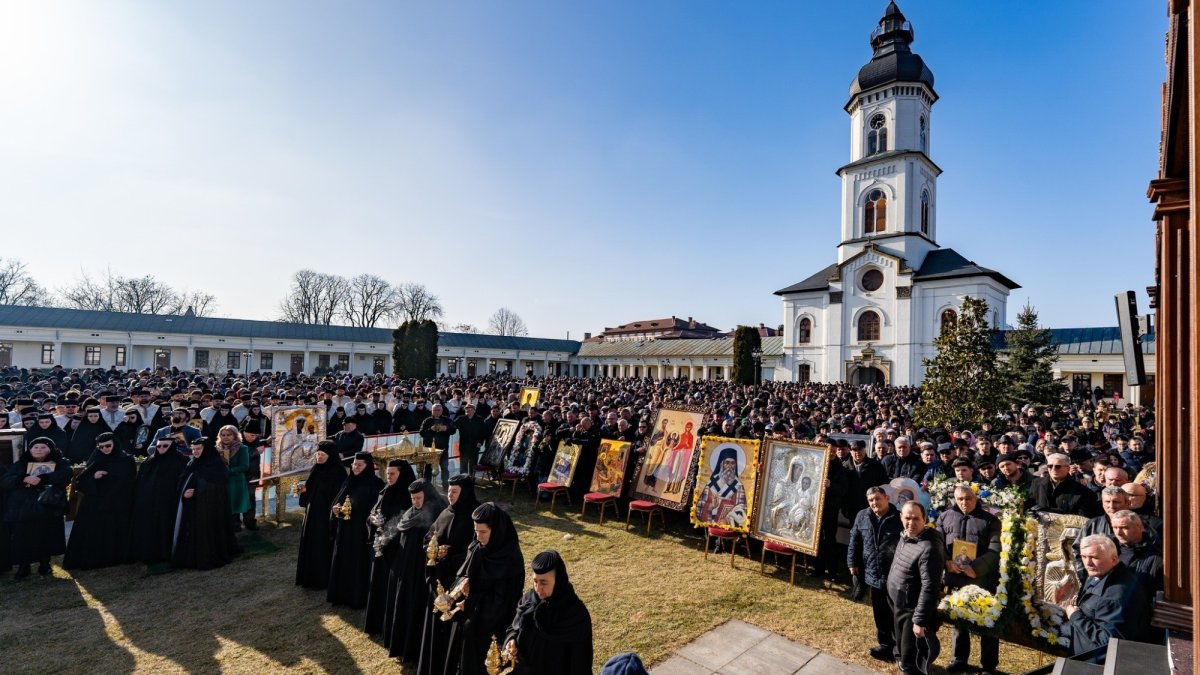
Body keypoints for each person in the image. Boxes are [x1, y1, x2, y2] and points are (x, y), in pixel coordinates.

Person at [447, 503, 526, 675]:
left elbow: (503, 601)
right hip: (472, 619)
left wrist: (472, 602)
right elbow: (466, 572)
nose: (478, 536)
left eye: (483, 532)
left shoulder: (510, 559)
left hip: (493, 626)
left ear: (496, 531)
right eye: (476, 531)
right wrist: (464, 583)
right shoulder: (478, 546)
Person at [418, 473, 482, 675]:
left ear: (465, 492)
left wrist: (450, 554)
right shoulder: (446, 512)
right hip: (439, 579)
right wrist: (433, 549)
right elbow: (429, 536)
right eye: (448, 490)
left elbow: (474, 549)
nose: (450, 495)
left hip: (457, 581)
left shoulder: (475, 515)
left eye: (455, 491)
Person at [938, 485, 1001, 675]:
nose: (964, 503)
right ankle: (959, 659)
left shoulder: (991, 520)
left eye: (968, 499)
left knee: (987, 622)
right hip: (956, 578)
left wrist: (976, 569)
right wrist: (946, 562)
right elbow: (937, 544)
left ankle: (989, 666)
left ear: (976, 498)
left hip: (982, 580)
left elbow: (995, 549)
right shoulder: (945, 517)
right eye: (960, 499)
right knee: (959, 620)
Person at [386, 479, 448, 663]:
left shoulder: (437, 514)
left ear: (427, 496)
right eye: (413, 498)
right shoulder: (410, 513)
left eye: (419, 498)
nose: (415, 502)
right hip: (406, 569)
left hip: (422, 573)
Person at [504, 550, 593, 675]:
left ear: (558, 581)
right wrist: (511, 639)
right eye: (535, 581)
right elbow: (514, 627)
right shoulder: (529, 599)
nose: (538, 588)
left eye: (544, 583)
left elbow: (580, 664)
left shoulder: (575, 615)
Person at [1062, 534, 1151, 656]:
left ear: (1114, 559)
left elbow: (1108, 642)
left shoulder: (1115, 597)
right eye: (1084, 556)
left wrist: (1075, 616)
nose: (1088, 563)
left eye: (1094, 557)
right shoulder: (1101, 573)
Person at [63, 432, 136, 570]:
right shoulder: (96, 458)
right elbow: (80, 482)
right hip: (96, 503)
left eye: (108, 446)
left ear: (115, 444)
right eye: (101, 447)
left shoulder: (126, 460)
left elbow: (129, 481)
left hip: (118, 503)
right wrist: (94, 477)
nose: (104, 449)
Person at [887, 501, 944, 675]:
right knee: (900, 647)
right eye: (907, 518)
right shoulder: (905, 535)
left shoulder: (929, 547)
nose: (911, 523)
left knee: (910, 654)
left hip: (912, 608)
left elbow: (930, 587)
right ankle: (903, 663)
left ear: (924, 519)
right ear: (900, 518)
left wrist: (919, 620)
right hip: (898, 602)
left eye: (916, 519)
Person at [1, 437, 71, 578]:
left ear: (50, 449)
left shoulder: (60, 462)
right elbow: (5, 481)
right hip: (23, 508)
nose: (39, 450)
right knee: (22, 537)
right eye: (36, 447)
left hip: (48, 506)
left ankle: (45, 564)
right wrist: (23, 479)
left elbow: (65, 476)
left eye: (43, 447)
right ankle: (23, 566)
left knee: (46, 535)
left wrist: (44, 478)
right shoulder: (20, 464)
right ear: (30, 449)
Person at [847, 486, 902, 663]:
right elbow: (854, 539)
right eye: (871, 500)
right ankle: (885, 645)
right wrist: (852, 562)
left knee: (896, 613)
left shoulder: (899, 517)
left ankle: (900, 650)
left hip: (894, 574)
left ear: (886, 498)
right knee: (879, 612)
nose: (874, 503)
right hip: (872, 571)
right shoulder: (862, 516)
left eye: (877, 499)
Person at [365, 459, 417, 635]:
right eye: (387, 473)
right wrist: (372, 520)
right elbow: (374, 511)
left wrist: (386, 535)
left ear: (402, 475)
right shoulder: (385, 490)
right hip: (380, 544)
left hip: (394, 549)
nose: (389, 477)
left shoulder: (408, 495)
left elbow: (403, 521)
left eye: (392, 474)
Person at [326, 452, 385, 609]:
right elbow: (338, 500)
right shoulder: (349, 480)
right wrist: (336, 509)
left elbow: (376, 509)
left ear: (368, 466)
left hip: (360, 531)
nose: (355, 467)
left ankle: (356, 597)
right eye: (354, 464)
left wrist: (357, 512)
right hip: (344, 530)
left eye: (359, 465)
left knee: (358, 563)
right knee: (342, 560)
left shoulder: (376, 484)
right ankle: (340, 594)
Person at [172, 437, 237, 570]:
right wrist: (184, 493)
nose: (195, 452)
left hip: (211, 509)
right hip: (193, 508)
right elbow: (183, 481)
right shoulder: (192, 463)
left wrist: (198, 492)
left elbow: (217, 487)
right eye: (193, 449)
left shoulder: (216, 465)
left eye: (198, 449)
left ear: (206, 449)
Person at [129, 436, 189, 565]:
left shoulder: (180, 460)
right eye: (159, 446)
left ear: (172, 446)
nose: (161, 448)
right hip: (148, 503)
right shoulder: (149, 461)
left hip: (168, 503)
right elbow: (140, 481)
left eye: (165, 446)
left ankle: (165, 554)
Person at [295, 440, 347, 589]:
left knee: (322, 544)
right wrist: (304, 490)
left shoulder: (338, 471)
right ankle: (308, 576)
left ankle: (322, 578)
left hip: (326, 515)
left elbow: (340, 494)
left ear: (330, 455)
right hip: (312, 513)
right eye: (317, 454)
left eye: (322, 454)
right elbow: (311, 488)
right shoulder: (316, 468)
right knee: (310, 542)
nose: (319, 457)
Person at [1030, 452, 1101, 518]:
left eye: (1057, 466)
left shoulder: (1082, 491)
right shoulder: (1036, 483)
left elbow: (1081, 517)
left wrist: (1049, 511)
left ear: (1068, 469)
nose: (1053, 469)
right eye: (1050, 466)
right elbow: (1030, 504)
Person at [693, 445, 747, 528]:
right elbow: (701, 503)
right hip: (710, 520)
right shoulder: (712, 482)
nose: (730, 466)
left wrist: (729, 518)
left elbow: (742, 507)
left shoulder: (738, 485)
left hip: (728, 523)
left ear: (736, 465)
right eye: (727, 463)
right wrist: (711, 506)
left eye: (732, 463)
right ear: (721, 464)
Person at [214, 425, 252, 532]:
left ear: (235, 436)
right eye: (223, 435)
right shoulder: (217, 448)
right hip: (221, 481)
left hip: (236, 481)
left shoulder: (242, 448)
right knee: (224, 503)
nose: (225, 437)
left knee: (235, 504)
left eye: (229, 435)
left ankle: (236, 526)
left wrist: (229, 471)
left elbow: (245, 466)